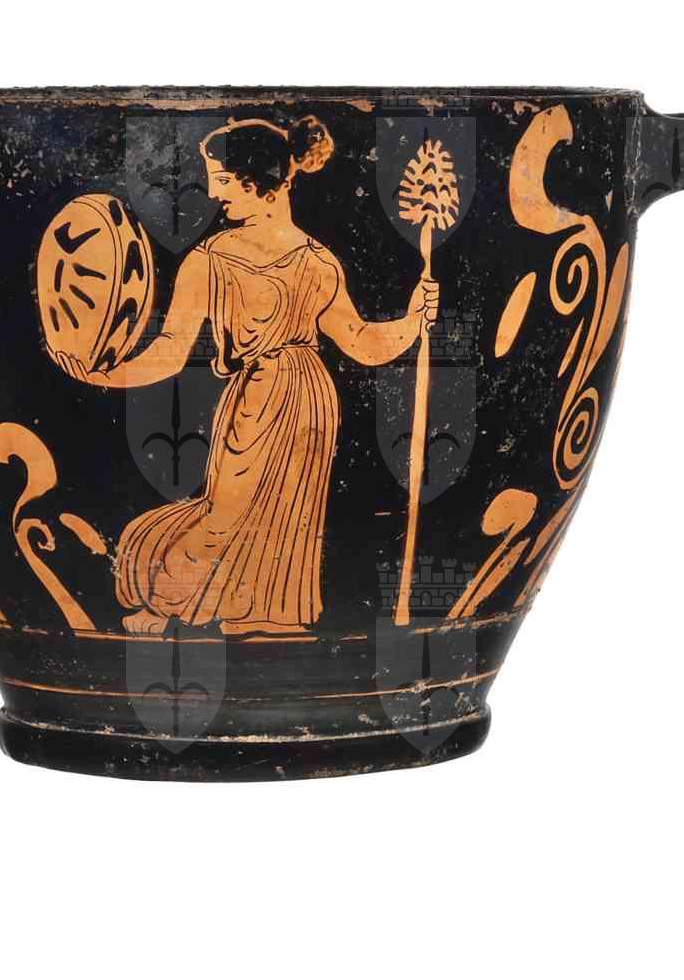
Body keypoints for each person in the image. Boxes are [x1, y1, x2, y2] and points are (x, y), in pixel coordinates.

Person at [57, 116, 438, 636]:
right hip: (254, 397)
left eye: (223, 180)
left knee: (289, 515)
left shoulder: (318, 264)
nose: (215, 194)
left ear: (257, 182)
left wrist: (413, 321)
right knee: (225, 509)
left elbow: (361, 342)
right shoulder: (210, 259)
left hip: (306, 400)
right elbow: (170, 352)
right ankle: (176, 601)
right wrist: (106, 374)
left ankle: (264, 616)